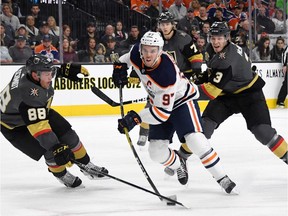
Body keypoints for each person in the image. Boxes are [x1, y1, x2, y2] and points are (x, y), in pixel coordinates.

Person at [112, 31, 238, 194]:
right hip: (158, 103)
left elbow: (161, 115)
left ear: (160, 51)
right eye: (145, 50)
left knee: (195, 140)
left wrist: (135, 118)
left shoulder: (166, 73)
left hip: (182, 102)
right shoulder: (137, 52)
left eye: (153, 51)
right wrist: (119, 68)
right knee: (156, 152)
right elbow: (126, 58)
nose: (148, 54)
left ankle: (222, 177)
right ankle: (179, 163)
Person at [167, 22, 287, 173]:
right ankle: (181, 158)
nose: (216, 42)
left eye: (219, 38)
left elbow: (211, 92)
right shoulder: (212, 49)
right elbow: (213, 73)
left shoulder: (228, 58)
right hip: (225, 95)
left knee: (263, 132)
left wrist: (185, 91)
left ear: (227, 38)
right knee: (204, 127)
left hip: (248, 94)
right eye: (213, 38)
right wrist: (199, 79)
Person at [0, 54, 109, 188]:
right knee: (49, 150)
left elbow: (43, 71)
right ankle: (61, 175)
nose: (50, 77)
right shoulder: (29, 95)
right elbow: (41, 131)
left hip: (36, 111)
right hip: (15, 127)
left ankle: (87, 165)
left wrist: (63, 70)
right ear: (35, 76)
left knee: (69, 135)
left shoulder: (30, 72)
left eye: (51, 72)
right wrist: (56, 147)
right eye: (48, 74)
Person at [136, 11, 203, 147]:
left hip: (181, 79)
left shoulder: (183, 38)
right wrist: (134, 72)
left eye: (167, 24)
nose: (165, 27)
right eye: (162, 24)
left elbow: (195, 55)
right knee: (152, 105)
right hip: (163, 79)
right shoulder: (155, 39)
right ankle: (144, 132)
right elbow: (142, 56)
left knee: (185, 105)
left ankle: (193, 132)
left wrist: (196, 69)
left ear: (173, 25)